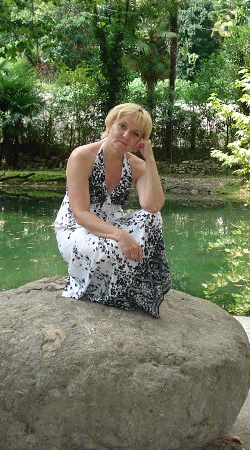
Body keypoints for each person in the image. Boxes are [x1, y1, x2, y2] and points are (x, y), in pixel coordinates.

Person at [54, 103, 171, 317]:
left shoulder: (136, 165)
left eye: (135, 133)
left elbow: (152, 205)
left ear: (140, 141)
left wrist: (150, 159)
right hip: (76, 229)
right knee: (113, 247)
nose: (126, 135)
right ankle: (106, 291)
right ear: (110, 124)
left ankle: (135, 286)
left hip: (112, 224)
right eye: (122, 126)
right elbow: (80, 214)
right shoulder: (82, 156)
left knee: (152, 218)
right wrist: (121, 236)